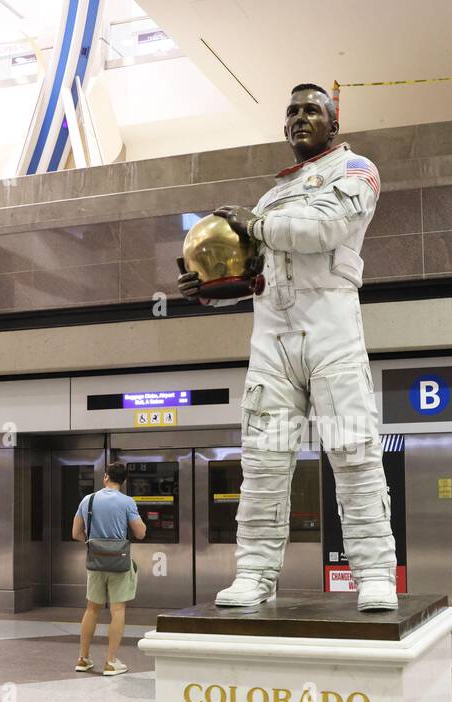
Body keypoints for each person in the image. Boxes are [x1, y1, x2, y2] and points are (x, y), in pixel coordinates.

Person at [178, 82, 398, 612]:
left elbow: (325, 228)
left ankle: (374, 573)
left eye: (312, 110)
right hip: (272, 337)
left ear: (333, 123)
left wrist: (253, 223)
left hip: (331, 331)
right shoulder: (272, 196)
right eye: (292, 111)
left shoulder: (355, 170)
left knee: (352, 450)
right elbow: (254, 271)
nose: (300, 118)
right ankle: (254, 573)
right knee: (263, 460)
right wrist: (212, 289)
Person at [73, 462, 147, 676]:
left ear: (106, 477)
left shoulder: (89, 500)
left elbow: (76, 532)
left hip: (95, 562)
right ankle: (111, 661)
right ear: (123, 482)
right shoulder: (127, 502)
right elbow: (140, 532)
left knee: (91, 609)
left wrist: (93, 542)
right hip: (120, 563)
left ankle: (83, 658)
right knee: (118, 610)